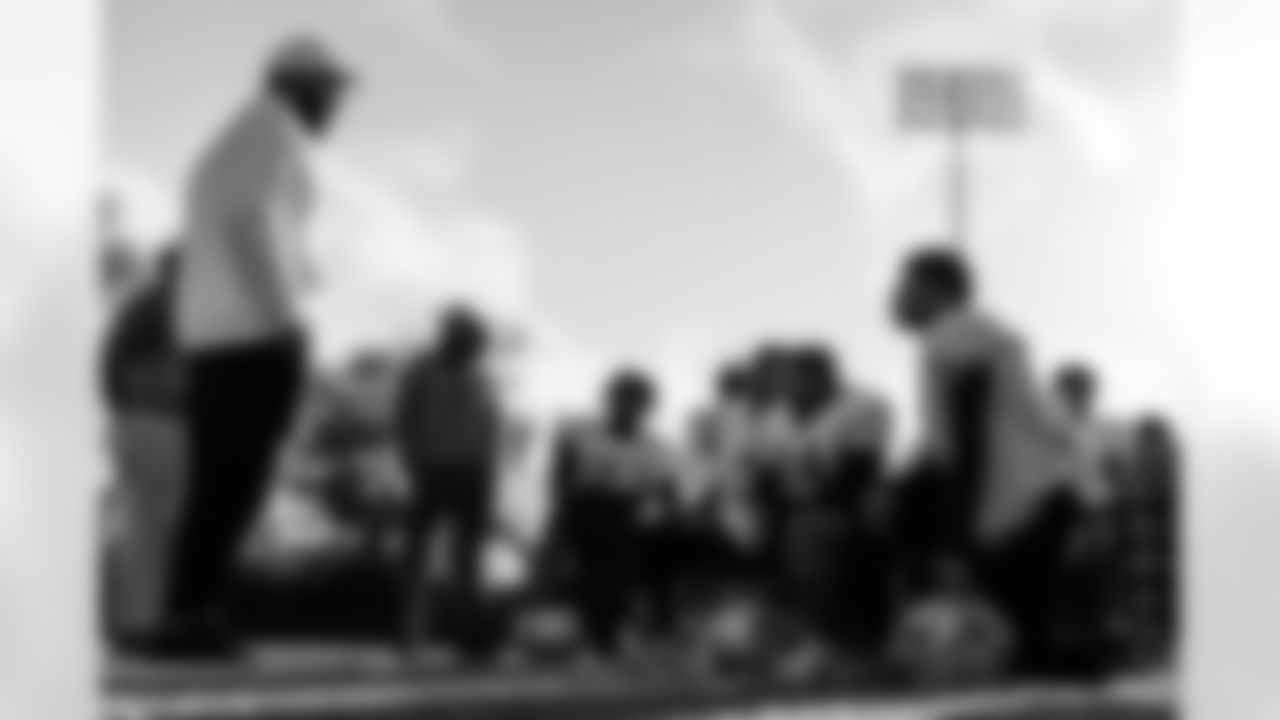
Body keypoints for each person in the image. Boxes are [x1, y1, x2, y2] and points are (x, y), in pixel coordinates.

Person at [164, 36, 353, 655]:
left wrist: (303, 266)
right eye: (330, 91)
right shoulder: (272, 131)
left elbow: (253, 219)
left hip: (220, 332)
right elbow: (248, 219)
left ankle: (188, 612)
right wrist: (283, 315)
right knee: (235, 482)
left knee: (220, 481)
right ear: (298, 86)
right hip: (253, 334)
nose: (336, 105)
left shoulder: (243, 136)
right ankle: (193, 615)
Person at [889, 246, 1079, 676]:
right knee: (1023, 644)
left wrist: (957, 539)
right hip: (1038, 492)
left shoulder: (955, 332)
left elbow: (968, 435)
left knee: (1011, 646)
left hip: (1020, 498)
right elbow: (946, 441)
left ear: (936, 288)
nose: (895, 297)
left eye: (904, 285)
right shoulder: (968, 332)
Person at [544, 370, 679, 661]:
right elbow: (562, 474)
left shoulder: (654, 447)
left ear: (646, 407)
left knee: (615, 576)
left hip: (624, 516)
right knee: (581, 573)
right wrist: (558, 520)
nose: (628, 407)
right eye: (622, 399)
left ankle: (606, 638)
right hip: (582, 510)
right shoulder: (579, 430)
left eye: (636, 402)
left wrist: (650, 519)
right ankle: (588, 637)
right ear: (610, 399)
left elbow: (667, 492)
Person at [394, 306, 504, 659]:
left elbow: (491, 429)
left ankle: (469, 637)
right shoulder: (420, 370)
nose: (474, 348)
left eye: (477, 343)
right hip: (431, 471)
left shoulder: (482, 376)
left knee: (468, 561)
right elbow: (404, 420)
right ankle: (409, 634)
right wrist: (413, 464)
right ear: (449, 336)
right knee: (417, 556)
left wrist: (491, 478)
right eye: (468, 339)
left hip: (474, 474)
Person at [100, 248, 185, 650]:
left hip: (134, 421)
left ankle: (137, 624)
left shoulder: (142, 306)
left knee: (142, 527)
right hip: (155, 419)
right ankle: (146, 627)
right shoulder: (168, 304)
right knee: (157, 530)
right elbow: (162, 372)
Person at [1108, 415, 1180, 672]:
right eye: (1147, 441)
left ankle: (1155, 649)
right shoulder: (1134, 471)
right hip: (1142, 555)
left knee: (1157, 599)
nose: (1151, 449)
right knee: (1146, 600)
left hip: (1155, 555)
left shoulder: (1164, 470)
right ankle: (1150, 649)